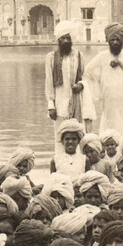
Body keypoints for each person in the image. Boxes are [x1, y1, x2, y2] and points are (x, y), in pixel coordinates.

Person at [45, 21, 95, 152]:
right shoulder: (50, 58)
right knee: (60, 136)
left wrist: (80, 85)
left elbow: (85, 76)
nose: (66, 41)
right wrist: (50, 106)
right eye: (63, 38)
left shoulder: (79, 56)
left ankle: (78, 165)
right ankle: (60, 164)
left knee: (77, 135)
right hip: (59, 104)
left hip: (76, 102)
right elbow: (49, 83)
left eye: (68, 38)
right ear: (58, 40)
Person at [83, 23, 123, 134]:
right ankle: (109, 146)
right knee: (110, 123)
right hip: (110, 97)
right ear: (108, 41)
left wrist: (120, 62)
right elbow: (87, 71)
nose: (115, 43)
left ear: (122, 41)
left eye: (118, 40)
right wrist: (99, 86)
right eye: (112, 40)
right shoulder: (102, 56)